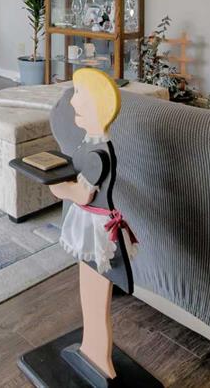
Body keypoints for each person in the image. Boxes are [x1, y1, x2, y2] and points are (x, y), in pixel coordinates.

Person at [49, 68, 138, 378]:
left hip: (95, 230)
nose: (72, 102)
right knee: (90, 294)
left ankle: (99, 359)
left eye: (78, 94)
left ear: (96, 105)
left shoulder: (98, 154)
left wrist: (54, 186)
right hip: (92, 225)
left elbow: (82, 194)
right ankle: (91, 349)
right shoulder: (92, 145)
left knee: (95, 296)